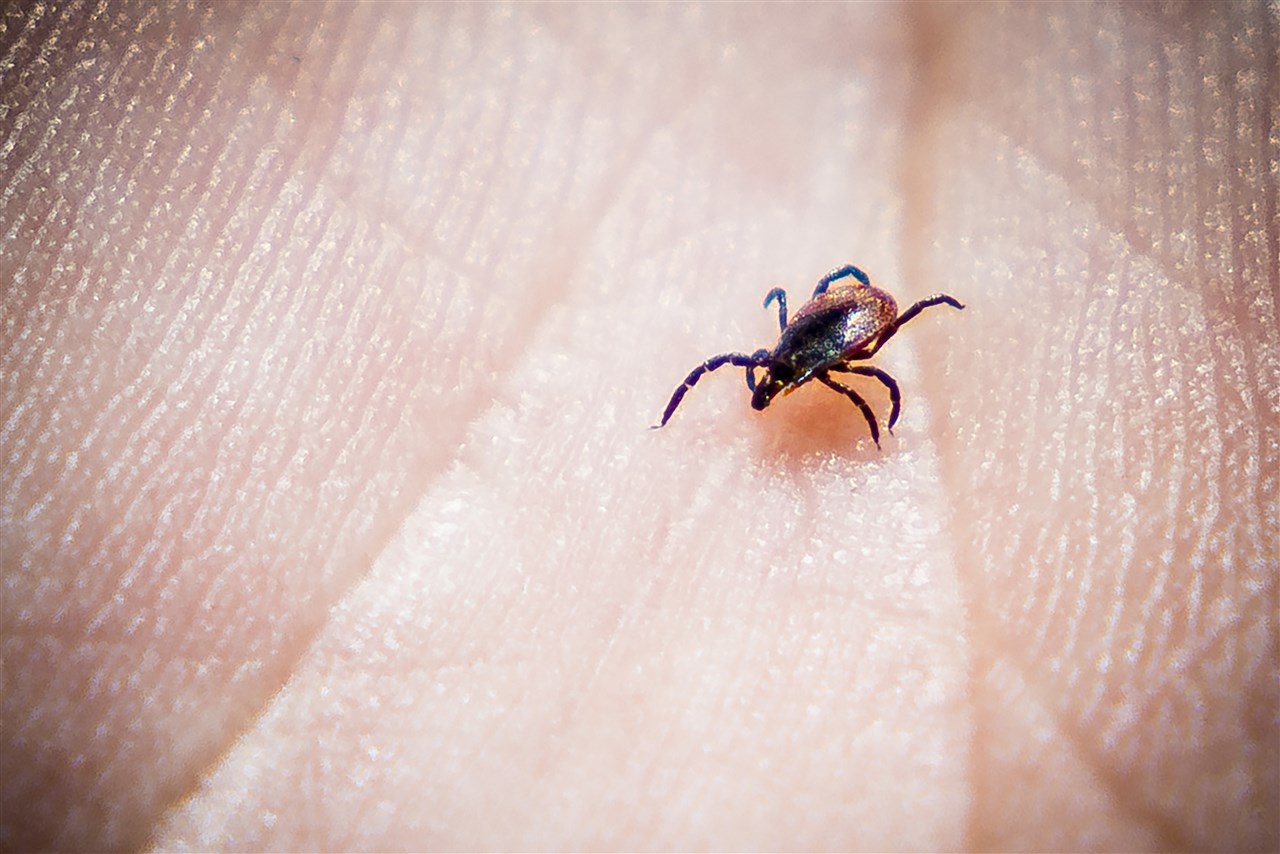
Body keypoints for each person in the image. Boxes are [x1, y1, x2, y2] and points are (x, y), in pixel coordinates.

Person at [2, 2, 1275, 850]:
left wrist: (869, 346)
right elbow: (831, 330)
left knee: (864, 328)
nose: (769, 384)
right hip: (847, 300)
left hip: (855, 301)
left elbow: (848, 337)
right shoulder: (800, 357)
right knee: (842, 329)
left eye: (769, 382)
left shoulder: (817, 351)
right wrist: (808, 368)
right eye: (768, 380)